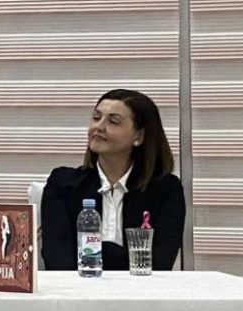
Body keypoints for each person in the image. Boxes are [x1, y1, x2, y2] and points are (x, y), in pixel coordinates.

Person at [41, 89, 185, 271]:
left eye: (113, 121)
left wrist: (96, 255)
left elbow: (159, 263)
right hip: (77, 288)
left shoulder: (166, 189)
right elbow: (57, 259)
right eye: (96, 117)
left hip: (140, 289)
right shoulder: (62, 184)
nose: (99, 127)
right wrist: (121, 256)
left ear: (139, 136)